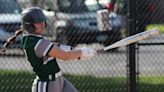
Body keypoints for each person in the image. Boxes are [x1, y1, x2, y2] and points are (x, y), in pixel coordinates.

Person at [2, 7, 97, 92]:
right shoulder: (37, 43)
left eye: (42, 21)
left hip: (59, 81)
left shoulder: (32, 39)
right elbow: (64, 56)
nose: (43, 24)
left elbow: (55, 47)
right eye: (38, 22)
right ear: (29, 25)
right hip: (47, 85)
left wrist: (77, 53)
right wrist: (81, 52)